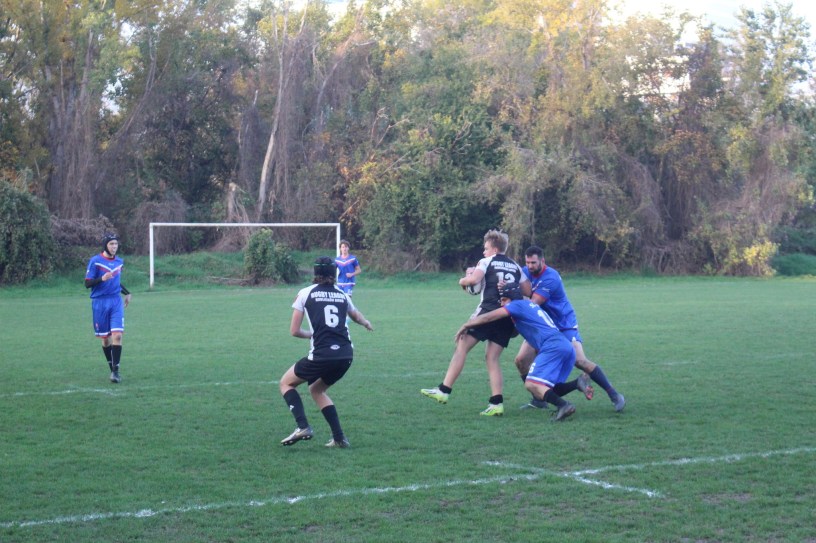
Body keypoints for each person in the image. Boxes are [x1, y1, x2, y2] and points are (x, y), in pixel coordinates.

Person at [420, 229, 529, 416]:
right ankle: (496, 403)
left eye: (486, 248)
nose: (484, 252)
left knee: (461, 346)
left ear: (494, 249)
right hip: (507, 316)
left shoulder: (486, 262)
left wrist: (463, 280)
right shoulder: (515, 266)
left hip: (487, 312)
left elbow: (475, 279)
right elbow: (527, 290)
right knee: (492, 358)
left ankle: (444, 390)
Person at [279, 256, 374, 448]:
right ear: (334, 273)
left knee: (286, 383)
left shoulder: (305, 293)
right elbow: (355, 315)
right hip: (346, 355)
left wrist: (311, 336)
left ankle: (302, 426)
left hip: (322, 355)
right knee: (317, 389)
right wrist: (366, 323)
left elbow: (294, 331)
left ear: (315, 273)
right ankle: (339, 438)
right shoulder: (342, 294)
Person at [516, 245, 625, 412]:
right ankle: (539, 400)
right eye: (527, 262)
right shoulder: (525, 272)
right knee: (521, 360)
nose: (530, 266)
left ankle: (614, 395)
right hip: (544, 327)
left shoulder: (550, 277)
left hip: (563, 325)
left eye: (533, 262)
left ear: (542, 261)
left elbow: (532, 304)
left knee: (579, 360)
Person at [454, 283, 578, 421]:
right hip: (565, 346)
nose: (502, 303)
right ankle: (578, 383)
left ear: (511, 298)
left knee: (532, 384)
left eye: (504, 299)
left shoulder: (516, 305)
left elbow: (488, 317)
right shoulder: (528, 306)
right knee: (548, 387)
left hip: (553, 346)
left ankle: (564, 405)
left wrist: (466, 324)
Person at [84, 233, 132, 383]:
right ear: (106, 245)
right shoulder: (95, 261)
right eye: (111, 244)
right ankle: (111, 368)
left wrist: (127, 293)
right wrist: (101, 279)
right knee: (105, 340)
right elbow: (87, 284)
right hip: (100, 302)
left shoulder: (119, 261)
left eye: (116, 244)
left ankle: (116, 372)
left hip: (115, 301)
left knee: (117, 335)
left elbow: (116, 282)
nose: (114, 247)